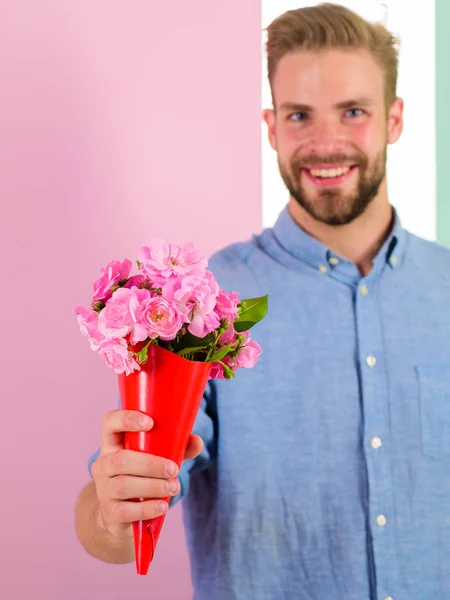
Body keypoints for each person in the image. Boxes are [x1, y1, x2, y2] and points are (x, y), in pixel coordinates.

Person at [75, 4, 450, 599]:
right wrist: (111, 510)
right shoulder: (202, 305)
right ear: (272, 127)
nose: (326, 143)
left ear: (394, 119)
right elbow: (113, 528)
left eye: (353, 111)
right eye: (300, 115)